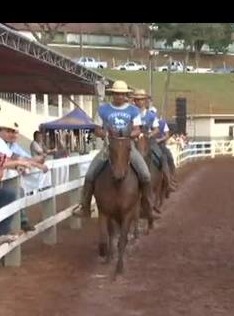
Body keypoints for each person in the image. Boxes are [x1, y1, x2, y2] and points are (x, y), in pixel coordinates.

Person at [72, 80, 156, 227]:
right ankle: (84, 206)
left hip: (128, 147)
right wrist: (104, 133)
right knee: (90, 174)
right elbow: (97, 129)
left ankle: (147, 207)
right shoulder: (103, 110)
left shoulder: (132, 110)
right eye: (117, 94)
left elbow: (138, 129)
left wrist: (130, 134)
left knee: (145, 174)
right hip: (108, 147)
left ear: (126, 95)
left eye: (122, 94)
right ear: (113, 94)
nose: (119, 97)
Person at [132, 89, 175, 193]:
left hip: (149, 140)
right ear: (134, 101)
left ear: (145, 101)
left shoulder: (151, 115)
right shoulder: (131, 113)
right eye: (137, 100)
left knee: (162, 157)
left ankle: (168, 182)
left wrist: (149, 135)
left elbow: (156, 129)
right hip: (133, 139)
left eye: (141, 99)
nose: (139, 102)